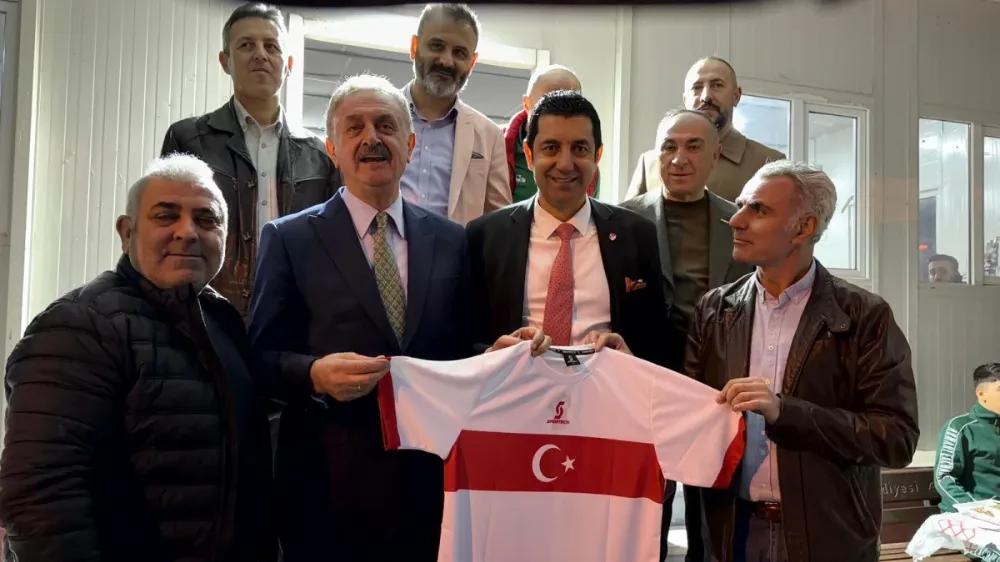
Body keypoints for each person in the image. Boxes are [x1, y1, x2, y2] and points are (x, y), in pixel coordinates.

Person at [247, 73, 545, 562]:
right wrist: (314, 374)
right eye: (355, 127)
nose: (372, 138)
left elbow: (460, 348)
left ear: (409, 145)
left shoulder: (451, 240)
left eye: (386, 126)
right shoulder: (288, 239)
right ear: (332, 148)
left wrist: (493, 355)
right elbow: (259, 359)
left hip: (429, 485)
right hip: (328, 485)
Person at [0, 154, 275, 562]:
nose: (187, 232)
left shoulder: (222, 322)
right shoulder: (79, 326)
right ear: (126, 232)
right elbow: (39, 494)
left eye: (206, 219)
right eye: (166, 216)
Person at [686, 160, 919, 562]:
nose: (736, 220)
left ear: (804, 227)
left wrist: (785, 412)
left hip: (828, 538)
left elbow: (895, 439)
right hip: (729, 534)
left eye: (758, 209)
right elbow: (684, 412)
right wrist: (625, 366)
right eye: (740, 206)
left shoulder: (865, 316)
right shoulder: (714, 310)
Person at [620, 108, 753, 562]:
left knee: (710, 504)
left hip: (715, 382)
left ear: (715, 155)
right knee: (646, 501)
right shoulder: (622, 220)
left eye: (694, 146)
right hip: (644, 377)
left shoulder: (739, 222)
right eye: (669, 147)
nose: (679, 158)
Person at [161, 2, 341, 318]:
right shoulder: (188, 139)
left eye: (271, 46)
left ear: (288, 63)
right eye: (246, 45)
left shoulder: (320, 155)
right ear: (225, 61)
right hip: (208, 315)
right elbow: (166, 232)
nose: (260, 54)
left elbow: (332, 249)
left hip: (294, 320)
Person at [468, 90, 670, 367]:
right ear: (529, 154)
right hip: (515, 386)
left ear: (598, 155)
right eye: (551, 148)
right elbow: (462, 338)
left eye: (580, 149)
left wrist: (630, 357)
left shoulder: (637, 235)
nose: (565, 164)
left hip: (605, 387)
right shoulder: (485, 236)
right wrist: (491, 353)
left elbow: (657, 344)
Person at [402, 3, 511, 225]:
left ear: (472, 63)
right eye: (436, 46)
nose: (446, 61)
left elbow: (499, 223)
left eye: (459, 53)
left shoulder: (489, 136)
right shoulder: (374, 117)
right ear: (414, 47)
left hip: (457, 249)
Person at [625, 56, 784, 202]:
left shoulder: (769, 163)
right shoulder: (650, 162)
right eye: (697, 87)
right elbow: (626, 219)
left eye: (717, 85)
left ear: (736, 96)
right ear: (685, 100)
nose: (706, 96)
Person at [502, 64, 598, 201]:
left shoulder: (587, 164)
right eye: (546, 106)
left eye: (571, 106)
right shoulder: (494, 147)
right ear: (527, 104)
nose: (559, 117)